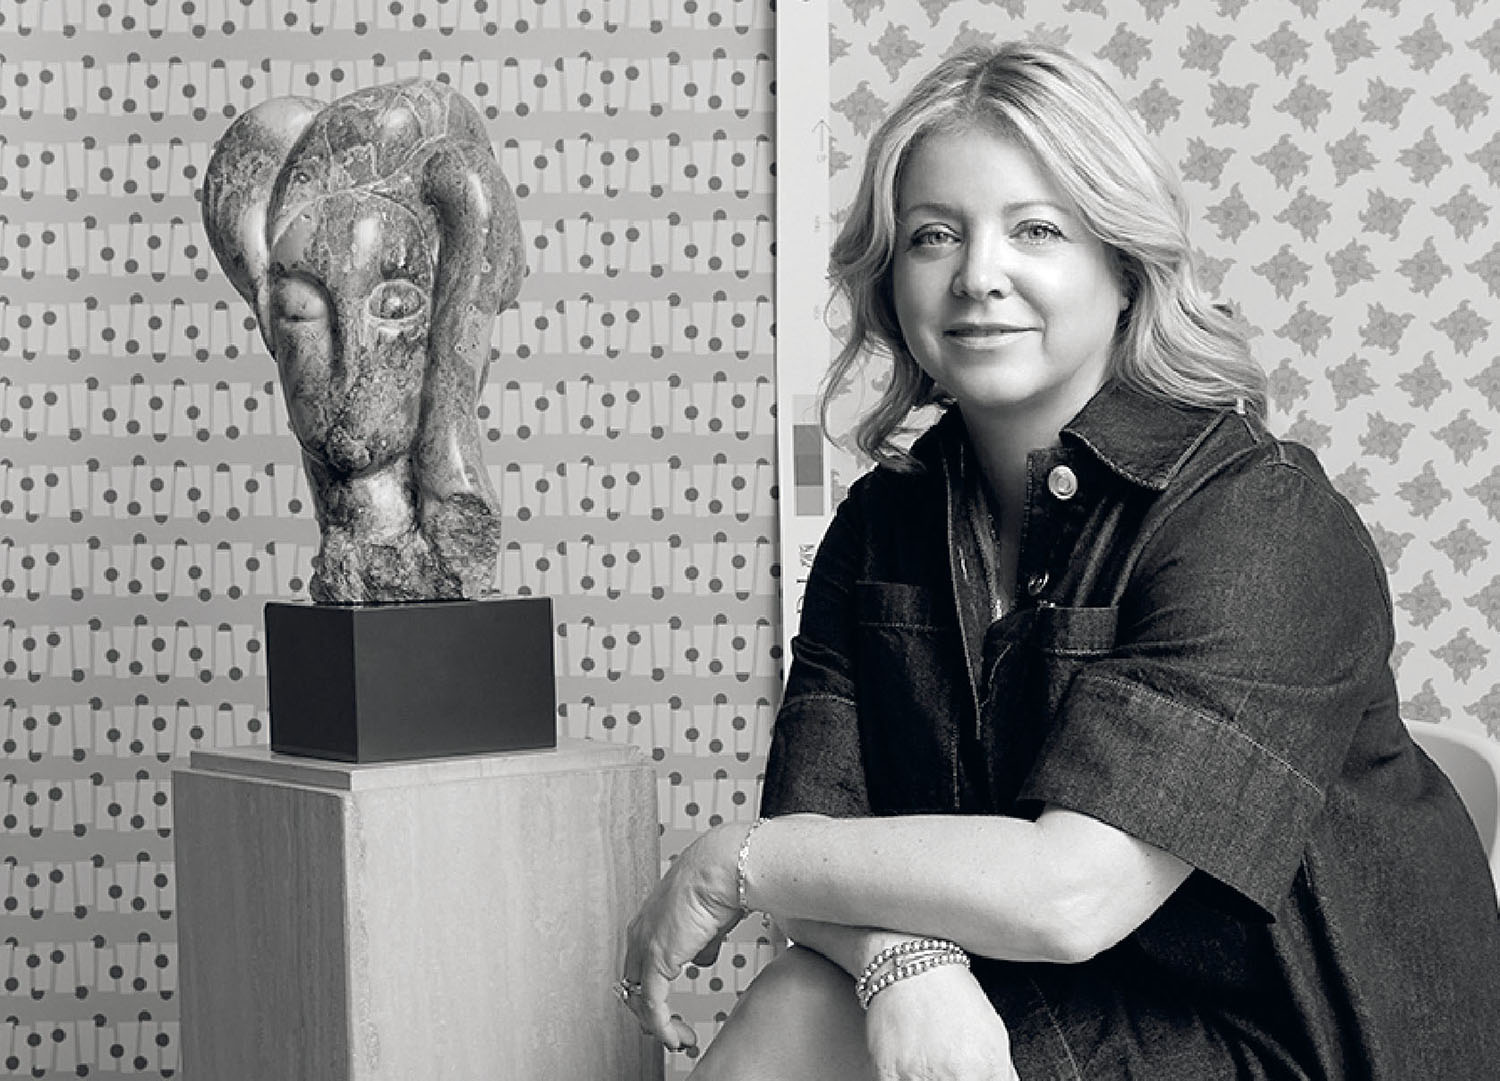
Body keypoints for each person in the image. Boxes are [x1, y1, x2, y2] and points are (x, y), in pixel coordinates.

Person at [620, 43, 1500, 1080]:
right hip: (1047, 1002)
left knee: (809, 1016)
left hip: (1290, 1044)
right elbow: (821, 841)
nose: (978, 275)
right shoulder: (880, 530)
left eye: (1036, 229)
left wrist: (733, 862)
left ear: (1122, 266)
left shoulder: (1261, 518)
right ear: (889, 275)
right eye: (934, 234)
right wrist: (903, 961)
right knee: (810, 995)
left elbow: (1072, 893)